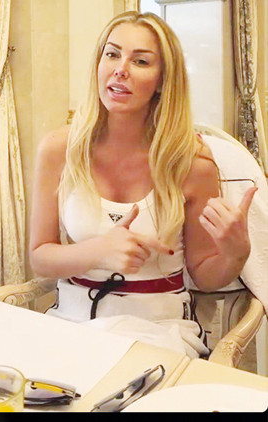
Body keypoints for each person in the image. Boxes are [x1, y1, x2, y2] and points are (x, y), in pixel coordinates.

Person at [29, 11, 256, 358]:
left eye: (140, 61)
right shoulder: (58, 149)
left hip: (160, 332)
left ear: (163, 80)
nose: (121, 69)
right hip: (71, 325)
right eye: (112, 54)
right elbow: (40, 257)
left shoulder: (192, 164)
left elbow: (206, 276)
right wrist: (99, 251)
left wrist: (235, 253)